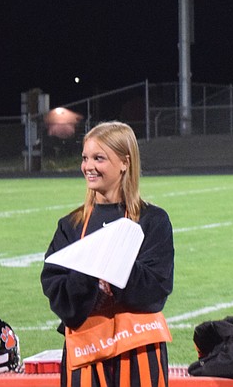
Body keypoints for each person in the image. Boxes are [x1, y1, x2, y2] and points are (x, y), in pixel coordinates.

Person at [40, 121, 174, 387]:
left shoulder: (152, 221)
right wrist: (94, 271)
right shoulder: (70, 226)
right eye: (85, 158)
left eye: (99, 158)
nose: (88, 166)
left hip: (139, 352)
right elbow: (57, 294)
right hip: (85, 355)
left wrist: (105, 261)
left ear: (125, 162)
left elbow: (156, 290)